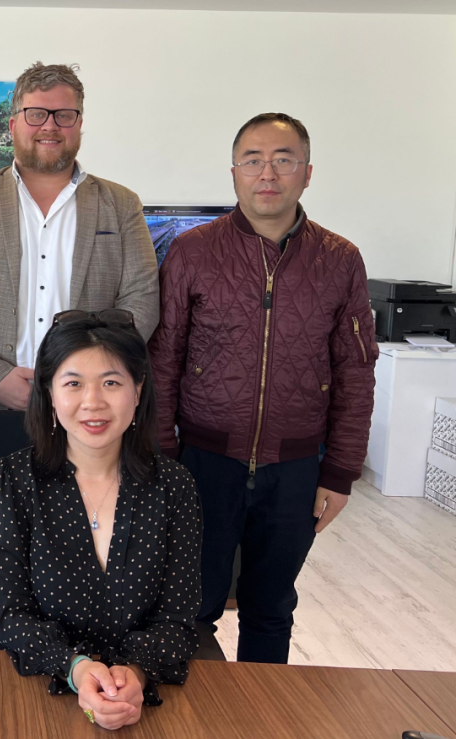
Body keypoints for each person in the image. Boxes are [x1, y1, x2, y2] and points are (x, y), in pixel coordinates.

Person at [147, 113, 378, 664]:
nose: (267, 173)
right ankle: (192, 708)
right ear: (234, 172)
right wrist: (161, 456)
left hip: (296, 470)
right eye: (253, 160)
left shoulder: (340, 259)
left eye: (283, 160)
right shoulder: (192, 251)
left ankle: (263, 708)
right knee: (190, 607)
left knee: (271, 609)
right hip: (203, 463)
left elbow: (355, 371)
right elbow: (163, 359)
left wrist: (340, 472)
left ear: (307, 172)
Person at [0, 62, 160, 608]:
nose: (50, 126)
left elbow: (141, 302)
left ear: (80, 123)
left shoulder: (120, 204)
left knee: (81, 553)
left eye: (64, 115)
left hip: (87, 414)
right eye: (36, 113)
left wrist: (80, 382)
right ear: (13, 122)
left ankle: (67, 653)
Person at [0, 309, 200, 731]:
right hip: (33, 698)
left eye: (111, 383)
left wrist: (134, 675)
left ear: (138, 390)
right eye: (74, 383)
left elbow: (178, 618)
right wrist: (77, 668)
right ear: (49, 393)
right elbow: (5, 610)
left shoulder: (174, 487)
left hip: (142, 703)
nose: (93, 402)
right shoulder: (13, 480)